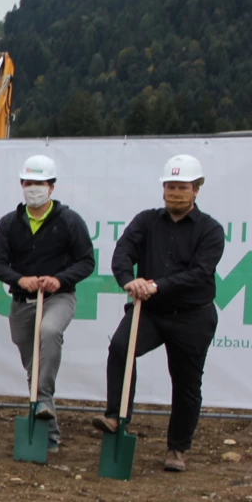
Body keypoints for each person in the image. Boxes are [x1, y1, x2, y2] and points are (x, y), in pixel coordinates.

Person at [93, 154, 223, 473]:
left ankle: (177, 449)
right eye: (170, 186)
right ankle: (116, 416)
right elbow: (123, 252)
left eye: (182, 187)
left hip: (192, 316)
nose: (175, 193)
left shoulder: (210, 230)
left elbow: (200, 272)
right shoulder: (146, 221)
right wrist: (129, 279)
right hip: (149, 312)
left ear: (196, 190)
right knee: (121, 348)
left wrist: (158, 285)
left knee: (186, 383)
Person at [0, 154, 96, 453]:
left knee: (49, 333)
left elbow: (87, 261)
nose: (33, 188)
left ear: (52, 186)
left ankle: (43, 402)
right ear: (21, 184)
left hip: (58, 297)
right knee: (33, 366)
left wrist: (59, 279)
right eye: (28, 182)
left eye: (40, 183)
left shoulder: (70, 221)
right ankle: (49, 431)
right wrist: (19, 279)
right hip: (22, 302)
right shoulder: (9, 223)